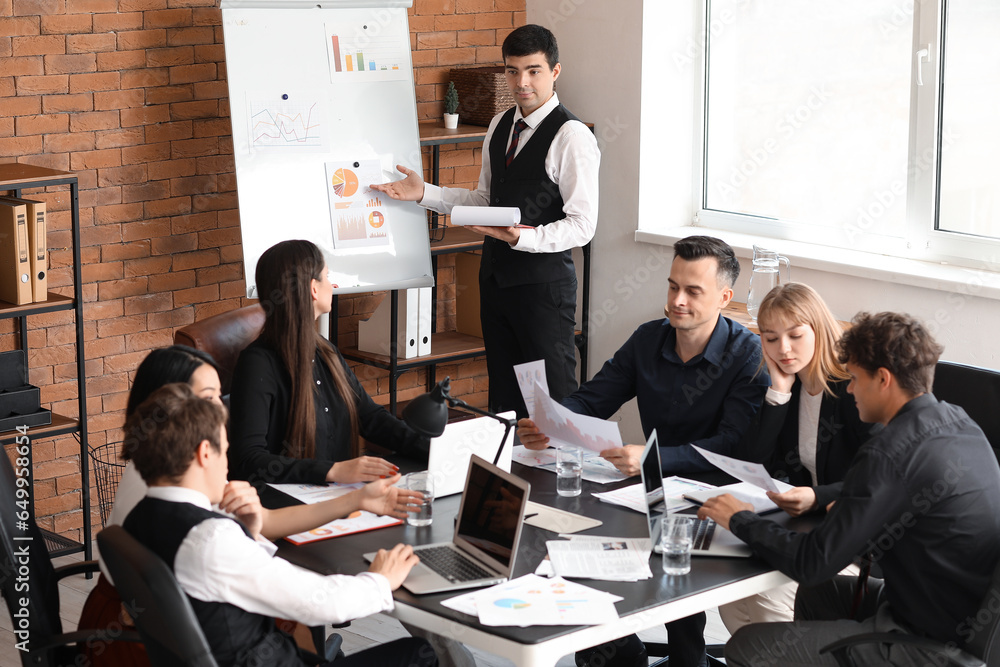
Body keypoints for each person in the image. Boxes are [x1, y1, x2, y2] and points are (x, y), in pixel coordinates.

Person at [78, 345, 421, 666]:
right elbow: (320, 601)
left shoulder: (148, 505)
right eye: (226, 450)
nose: (230, 463)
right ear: (203, 449)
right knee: (419, 653)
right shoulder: (207, 537)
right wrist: (379, 580)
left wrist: (249, 532)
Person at [518, 236, 769, 667]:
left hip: (715, 497)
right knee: (577, 539)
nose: (677, 301)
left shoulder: (748, 356)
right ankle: (616, 655)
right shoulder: (648, 340)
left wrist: (652, 459)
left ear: (725, 298)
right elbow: (593, 399)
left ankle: (688, 660)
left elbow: (733, 446)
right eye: (673, 287)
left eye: (693, 291)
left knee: (669, 563)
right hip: (645, 487)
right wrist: (553, 423)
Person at [699, 312, 1000, 666]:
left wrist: (741, 519)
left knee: (747, 647)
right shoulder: (960, 423)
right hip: (959, 615)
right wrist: (820, 496)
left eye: (856, 378)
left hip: (929, 643)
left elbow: (812, 562)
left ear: (883, 379)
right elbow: (889, 490)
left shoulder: (889, 452)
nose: (851, 388)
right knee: (816, 595)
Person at [372, 23, 601, 418]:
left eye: (533, 71)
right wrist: (424, 193)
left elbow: (582, 225)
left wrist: (520, 238)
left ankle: (565, 479)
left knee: (552, 405)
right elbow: (483, 199)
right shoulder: (499, 126)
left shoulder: (571, 135)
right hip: (495, 285)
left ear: (555, 71)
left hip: (543, 291)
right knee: (506, 406)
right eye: (513, 71)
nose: (522, 82)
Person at [719, 282, 877, 632]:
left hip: (853, 538)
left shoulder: (853, 390)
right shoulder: (790, 388)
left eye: (795, 335)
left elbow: (878, 481)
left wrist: (817, 497)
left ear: (818, 329)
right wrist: (777, 394)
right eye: (771, 338)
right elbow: (751, 464)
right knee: (731, 596)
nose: (783, 349)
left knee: (768, 597)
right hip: (805, 528)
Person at [228, 239, 429, 485]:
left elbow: (369, 417)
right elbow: (248, 460)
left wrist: (431, 449)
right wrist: (331, 471)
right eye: (327, 276)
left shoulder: (325, 350)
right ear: (313, 288)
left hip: (340, 495)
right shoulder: (257, 364)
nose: (332, 285)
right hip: (289, 504)